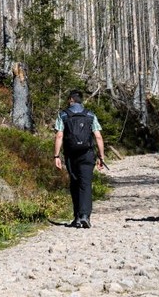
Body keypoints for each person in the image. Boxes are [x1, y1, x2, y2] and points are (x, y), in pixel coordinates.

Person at [53, 90, 105, 228]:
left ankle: (76, 217)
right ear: (80, 100)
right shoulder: (90, 115)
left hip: (71, 155)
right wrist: (101, 156)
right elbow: (98, 136)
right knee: (85, 184)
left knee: (75, 183)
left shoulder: (63, 115)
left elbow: (59, 136)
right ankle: (85, 216)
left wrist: (56, 156)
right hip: (87, 154)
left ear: (71, 100)